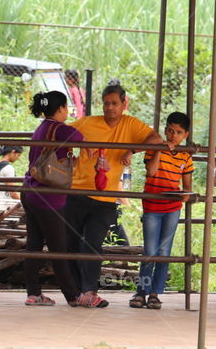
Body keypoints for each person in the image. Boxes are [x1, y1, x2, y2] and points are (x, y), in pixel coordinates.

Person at [68, 83, 163, 308]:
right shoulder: (88, 122)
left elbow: (156, 139)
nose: (110, 108)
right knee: (70, 243)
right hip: (77, 192)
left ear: (124, 104)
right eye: (106, 103)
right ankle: (74, 292)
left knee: (93, 244)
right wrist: (78, 143)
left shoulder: (131, 124)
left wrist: (132, 149)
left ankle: (90, 291)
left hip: (106, 197)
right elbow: (63, 133)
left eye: (115, 103)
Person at [21, 91, 83, 306]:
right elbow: (80, 137)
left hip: (29, 191)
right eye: (65, 108)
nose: (67, 112)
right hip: (49, 196)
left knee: (34, 245)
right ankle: (73, 295)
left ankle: (33, 293)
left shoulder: (41, 129)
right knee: (59, 247)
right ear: (60, 109)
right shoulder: (60, 129)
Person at [130, 112, 193, 310]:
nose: (174, 135)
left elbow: (187, 185)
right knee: (150, 251)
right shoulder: (153, 149)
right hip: (152, 204)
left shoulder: (185, 156)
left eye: (179, 132)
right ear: (165, 130)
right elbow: (151, 171)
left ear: (186, 135)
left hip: (172, 207)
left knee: (164, 251)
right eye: (170, 131)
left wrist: (186, 194)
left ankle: (155, 294)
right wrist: (159, 150)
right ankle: (141, 292)